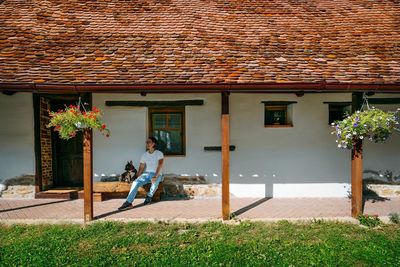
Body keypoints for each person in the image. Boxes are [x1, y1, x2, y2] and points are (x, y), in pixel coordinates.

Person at [118, 137, 164, 211]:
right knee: (135, 183)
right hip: (146, 174)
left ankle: (149, 196)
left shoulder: (159, 153)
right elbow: (141, 167)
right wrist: (137, 177)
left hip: (157, 173)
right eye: (146, 142)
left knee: (155, 182)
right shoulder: (144, 155)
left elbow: (160, 165)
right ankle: (128, 202)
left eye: (149, 142)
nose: (147, 144)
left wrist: (155, 176)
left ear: (153, 143)